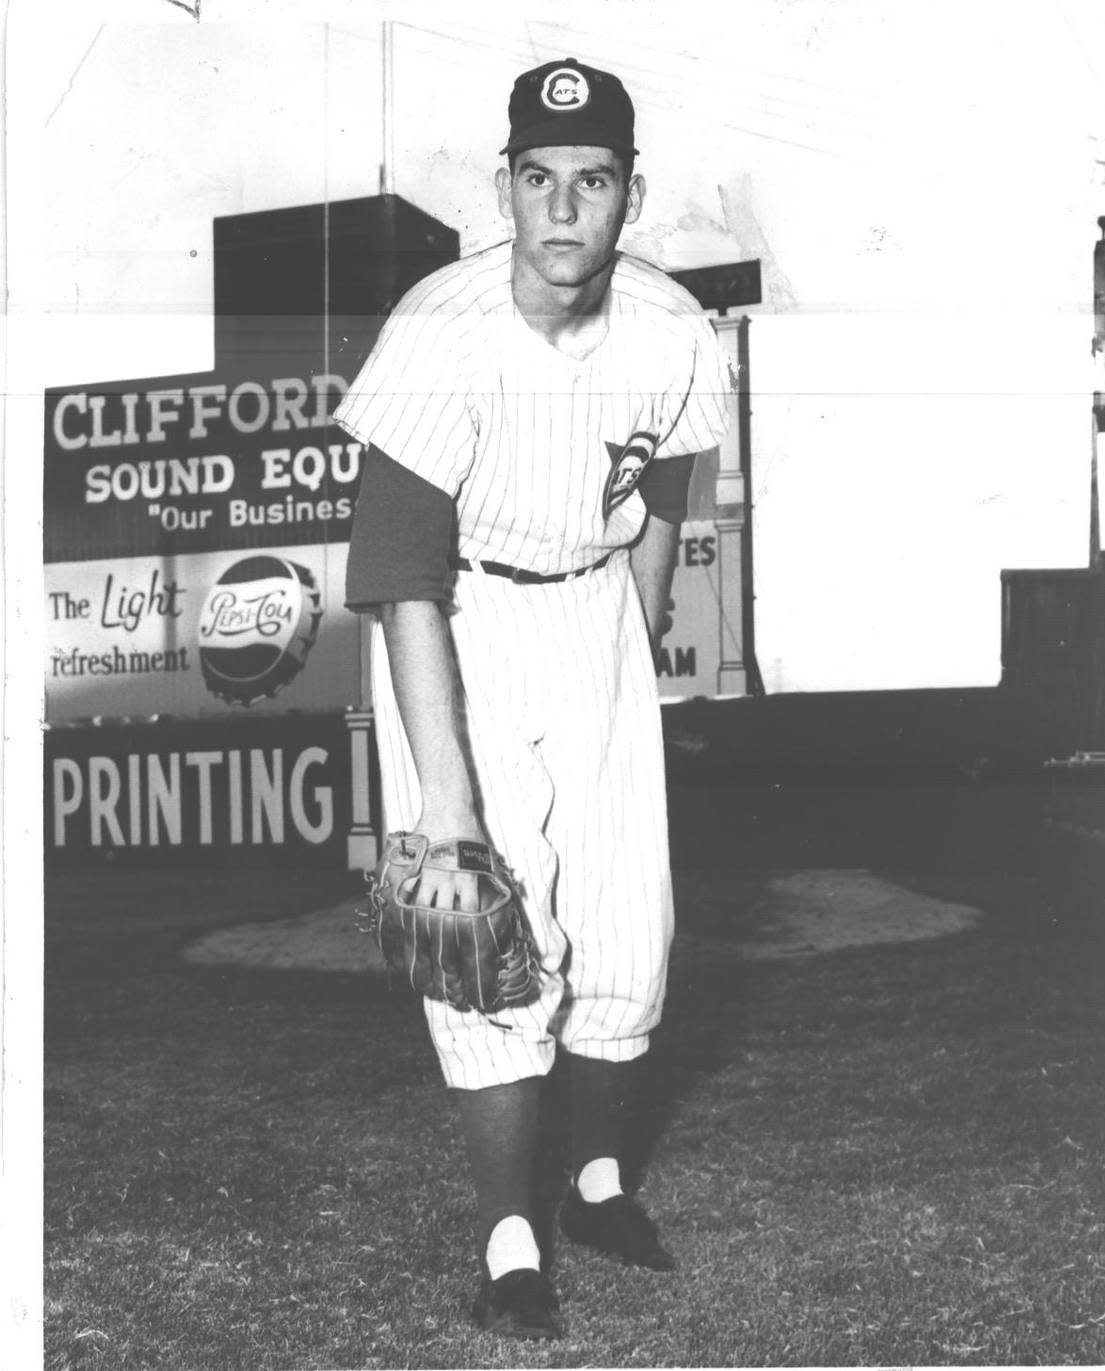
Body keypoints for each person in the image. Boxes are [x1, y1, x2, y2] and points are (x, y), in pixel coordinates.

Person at [335, 56, 730, 1340]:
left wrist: (645, 612)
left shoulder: (672, 327)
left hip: (598, 607)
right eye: (542, 179)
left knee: (629, 928)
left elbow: (675, 477)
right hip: (462, 619)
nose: (566, 207)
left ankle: (600, 1185)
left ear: (631, 195)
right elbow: (397, 574)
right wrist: (448, 809)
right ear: (508, 188)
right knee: (493, 938)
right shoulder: (441, 327)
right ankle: (512, 1240)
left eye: (595, 181)